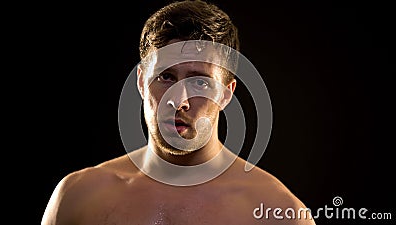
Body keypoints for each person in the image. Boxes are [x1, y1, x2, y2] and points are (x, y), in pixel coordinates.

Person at [42, 0, 315, 224]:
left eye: (199, 82)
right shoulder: (77, 197)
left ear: (225, 93)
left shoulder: (279, 214)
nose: (178, 100)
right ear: (140, 82)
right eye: (166, 77)